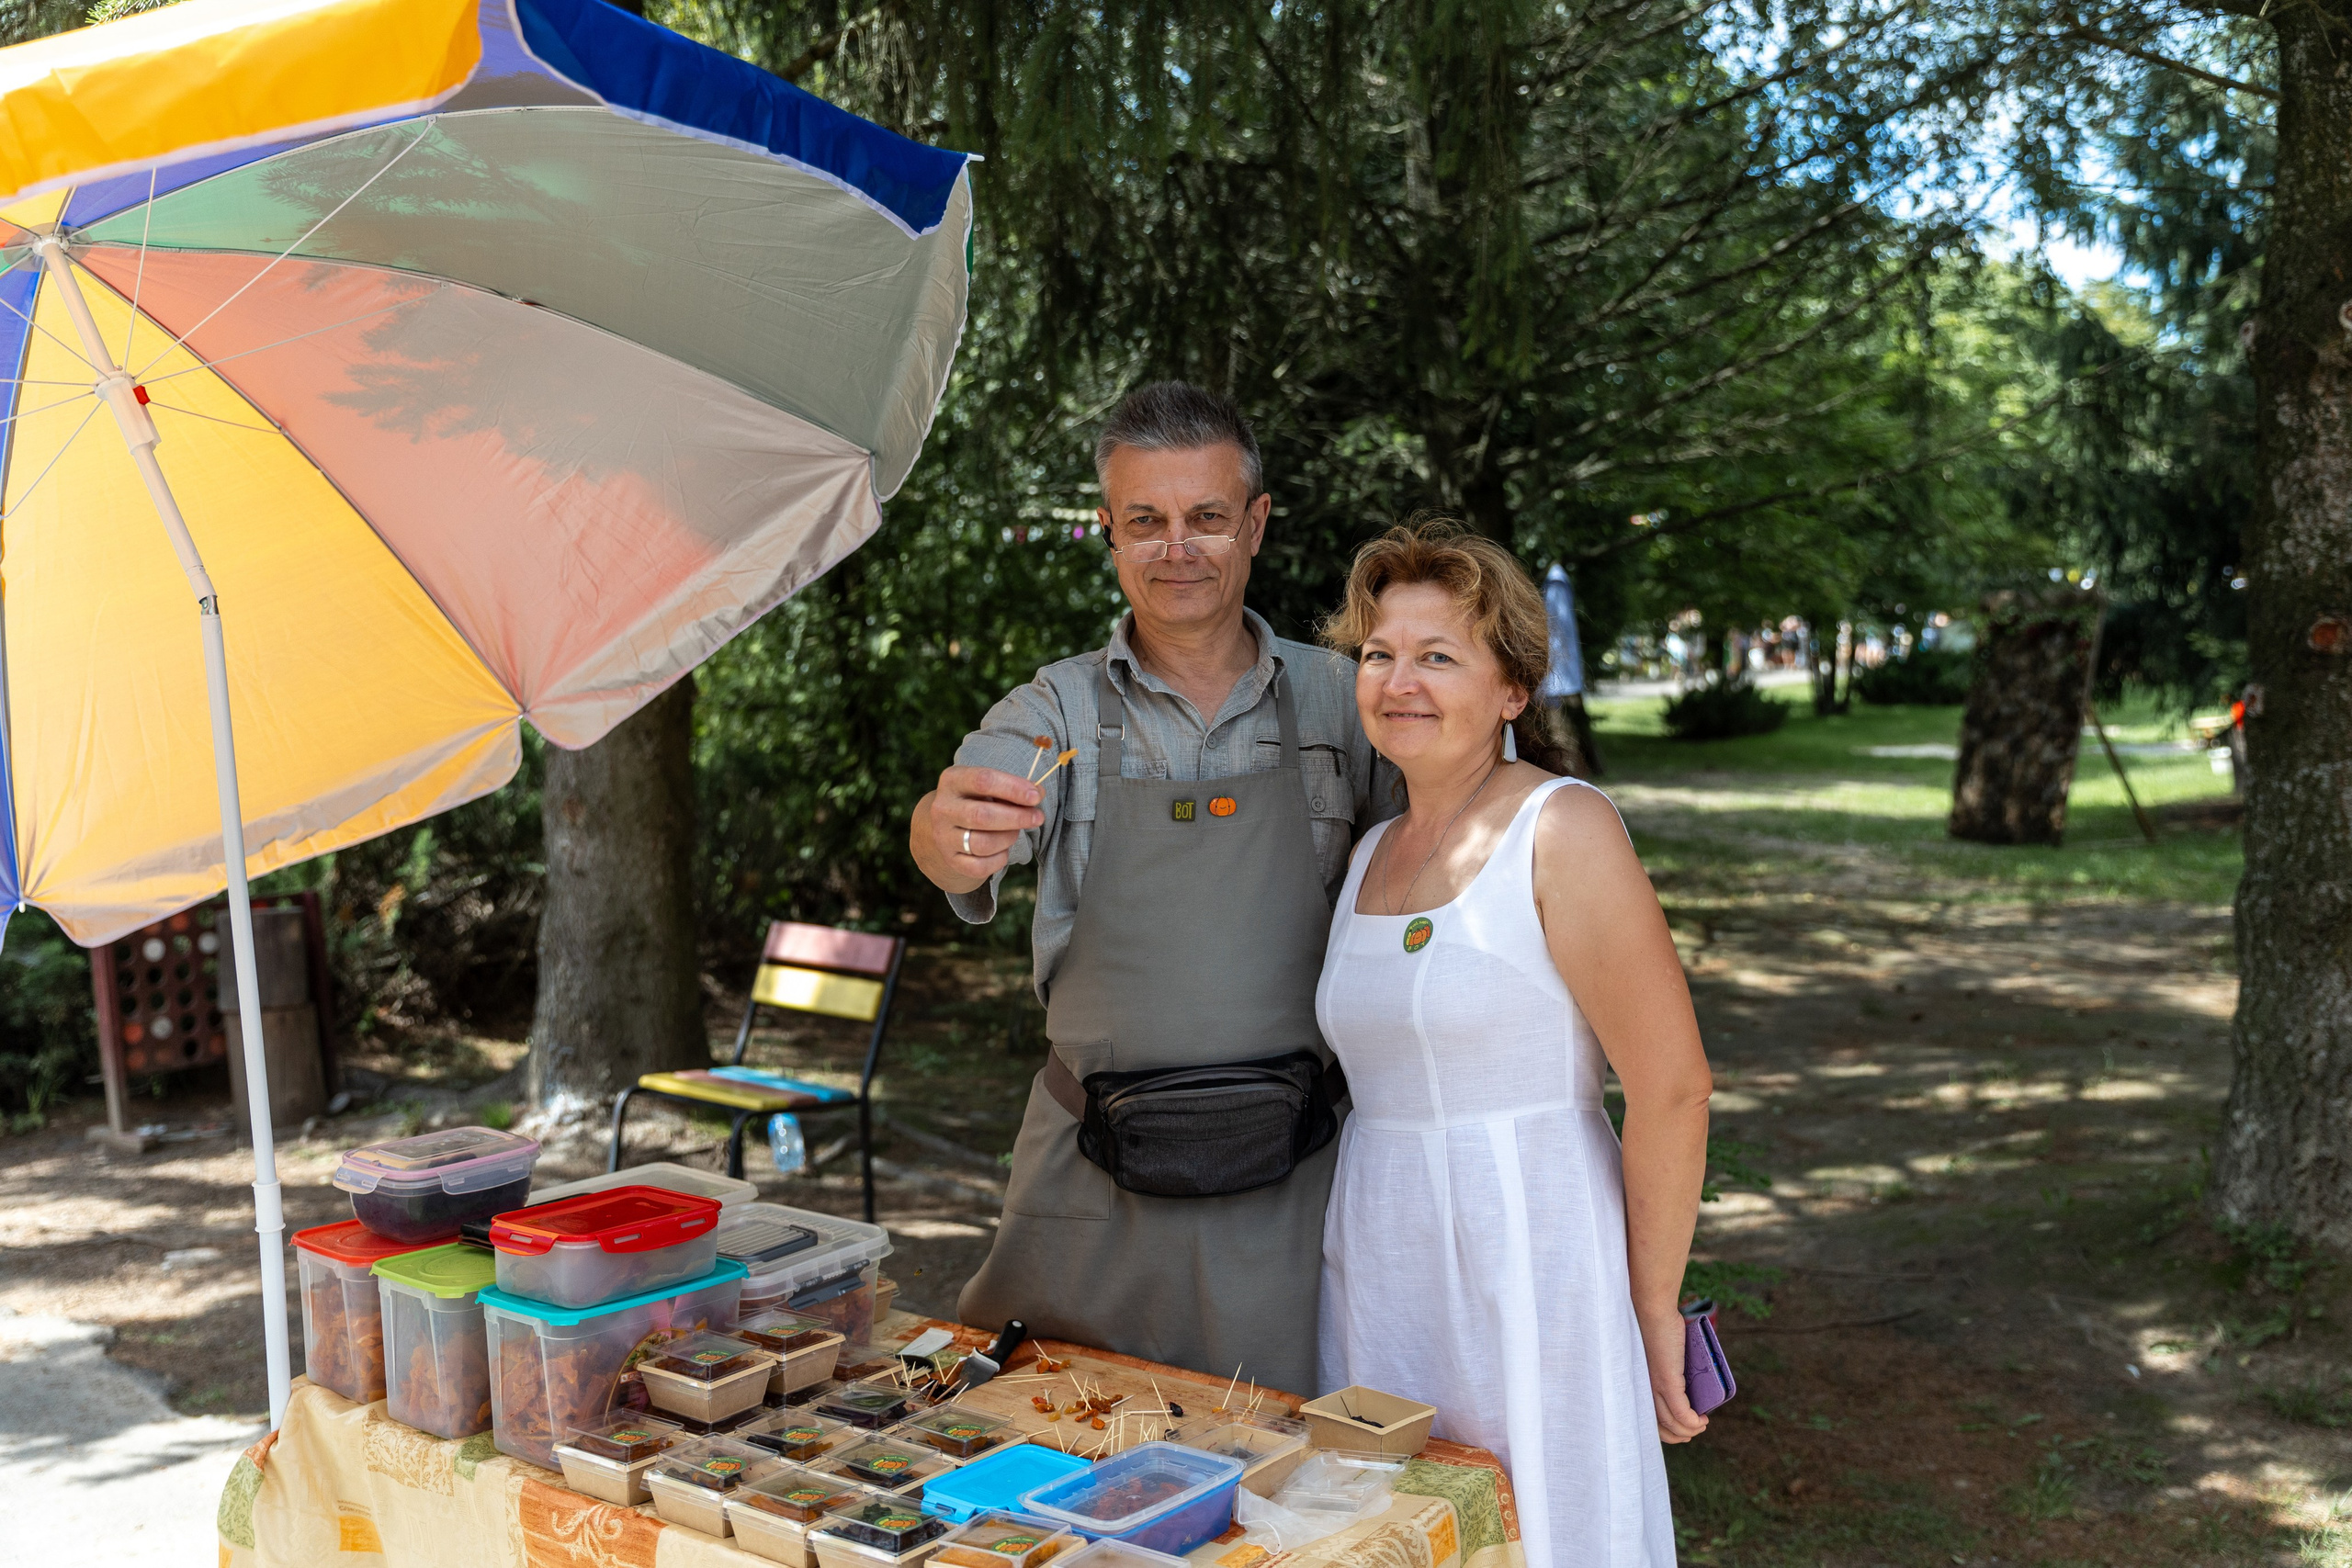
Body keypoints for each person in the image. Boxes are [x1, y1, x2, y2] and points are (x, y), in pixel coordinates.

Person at [907, 382, 1390, 1397]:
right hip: (1090, 1180)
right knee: (1044, 1459)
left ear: (1254, 523)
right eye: (1148, 522)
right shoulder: (1058, 706)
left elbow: (1461, 849)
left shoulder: (1346, 701)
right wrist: (948, 833)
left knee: (1286, 1495)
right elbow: (959, 811)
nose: (1178, 547)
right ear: (1111, 533)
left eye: (1207, 518)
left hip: (1296, 1180)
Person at [1315, 519, 1711, 1568]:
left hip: (1532, 1249)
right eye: (1380, 654)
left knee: (1544, 1524)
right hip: (1379, 1254)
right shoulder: (1366, 855)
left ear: (1511, 691)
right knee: (1396, 1529)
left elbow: (1671, 1087)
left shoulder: (1562, 827)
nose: (1400, 681)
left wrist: (1651, 1305)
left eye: (1438, 656)